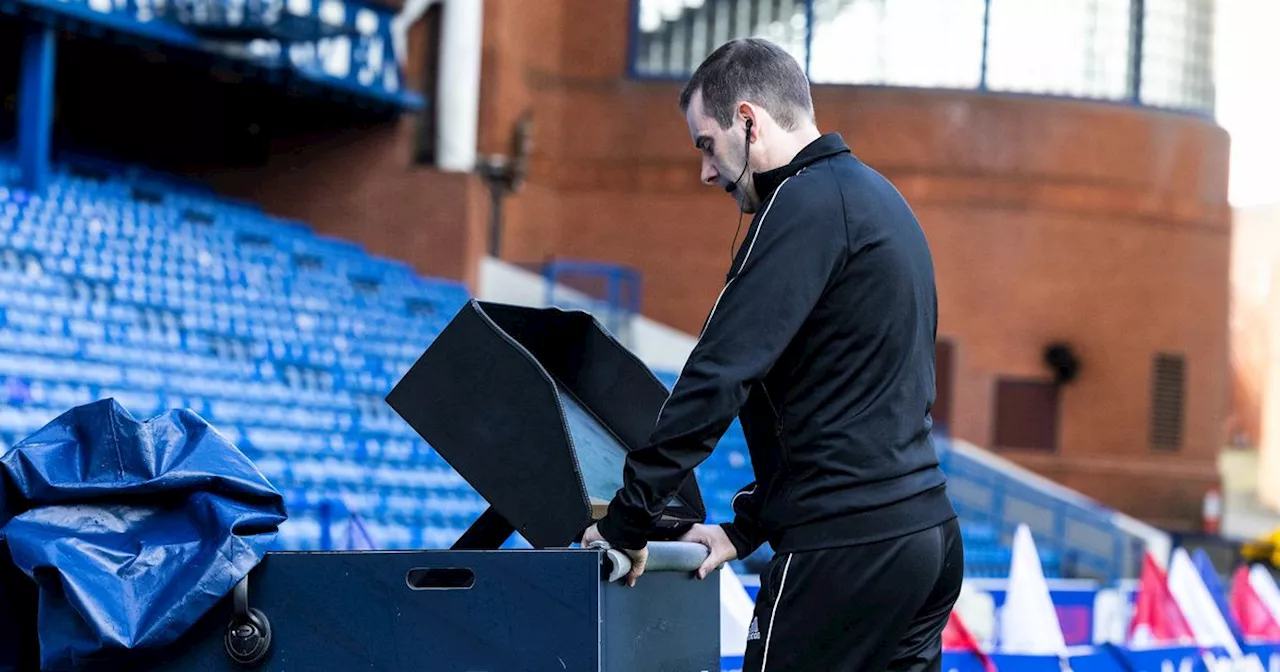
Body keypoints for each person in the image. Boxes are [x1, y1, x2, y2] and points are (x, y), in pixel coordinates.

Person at [580, 37, 964, 671]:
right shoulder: (875, 198)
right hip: (926, 540)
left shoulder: (802, 204)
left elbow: (717, 376)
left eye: (706, 144)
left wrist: (628, 519)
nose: (705, 172)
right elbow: (846, 408)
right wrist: (743, 527)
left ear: (749, 121)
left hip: (846, 550)